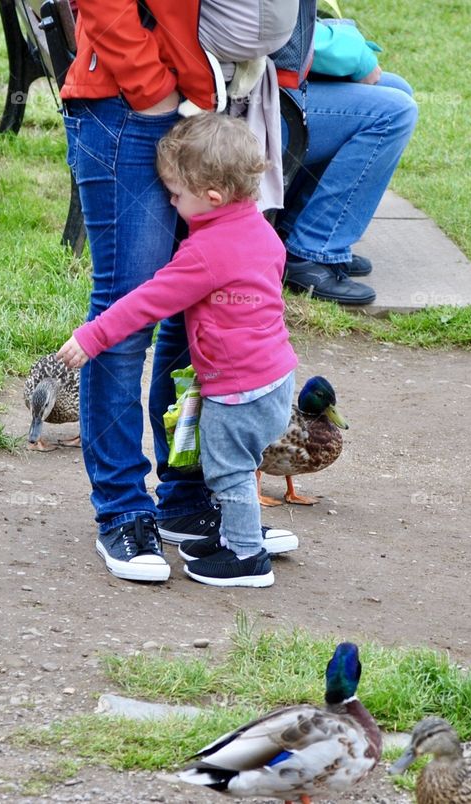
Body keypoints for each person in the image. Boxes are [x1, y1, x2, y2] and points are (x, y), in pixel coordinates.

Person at [59, 0, 298, 587]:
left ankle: (188, 497)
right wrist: (151, 90)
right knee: (128, 310)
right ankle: (123, 510)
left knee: (197, 311)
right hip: (132, 104)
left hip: (204, 104)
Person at [272, 13, 419, 305]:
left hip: (266, 86)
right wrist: (355, 57)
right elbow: (277, 34)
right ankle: (311, 252)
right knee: (394, 112)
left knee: (396, 88)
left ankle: (293, 228)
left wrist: (348, 50)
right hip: (245, 108)